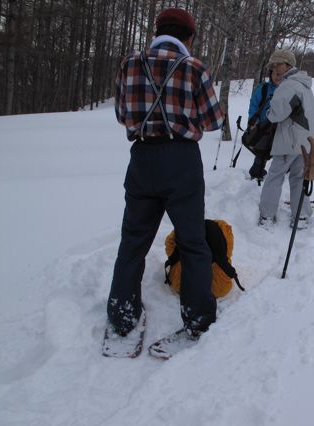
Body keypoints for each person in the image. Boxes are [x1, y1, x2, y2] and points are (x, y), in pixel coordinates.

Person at [109, 8, 224, 339]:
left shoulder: (130, 64)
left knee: (133, 242)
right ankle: (198, 319)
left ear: (157, 31)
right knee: (193, 242)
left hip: (142, 159)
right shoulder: (194, 68)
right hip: (181, 161)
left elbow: (121, 114)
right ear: (189, 37)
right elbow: (214, 121)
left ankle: (122, 316)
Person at [258, 49, 314, 228]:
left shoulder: (288, 86)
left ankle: (267, 216)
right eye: (273, 65)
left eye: (278, 64)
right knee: (299, 178)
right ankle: (300, 216)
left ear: (288, 65)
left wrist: (269, 111)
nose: (275, 68)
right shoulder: (304, 85)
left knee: (274, 178)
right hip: (304, 142)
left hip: (288, 141)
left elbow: (275, 114)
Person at [247, 66, 282, 182]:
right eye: (276, 74)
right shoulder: (263, 88)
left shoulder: (286, 90)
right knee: (262, 153)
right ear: (271, 73)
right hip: (263, 126)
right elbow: (253, 105)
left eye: (281, 75)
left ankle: (278, 176)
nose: (279, 77)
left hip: (280, 128)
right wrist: (254, 121)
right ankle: (256, 174)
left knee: (279, 154)